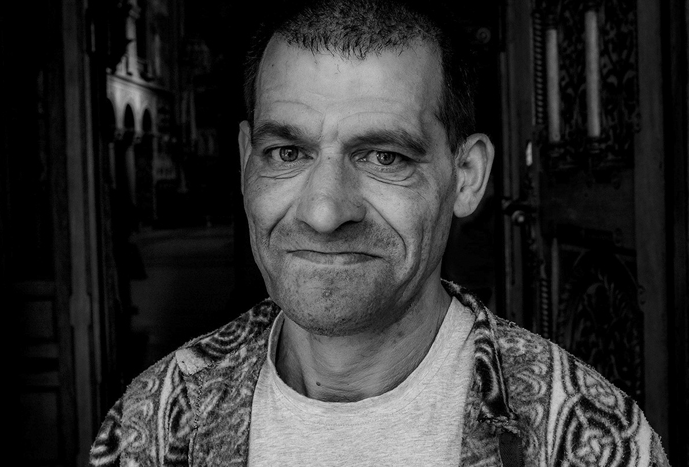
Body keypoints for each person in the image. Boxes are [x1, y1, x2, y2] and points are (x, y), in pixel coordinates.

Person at [89, 0, 670, 465]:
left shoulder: (585, 439)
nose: (323, 212)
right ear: (246, 161)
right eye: (287, 152)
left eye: (385, 157)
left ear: (467, 176)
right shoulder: (156, 425)